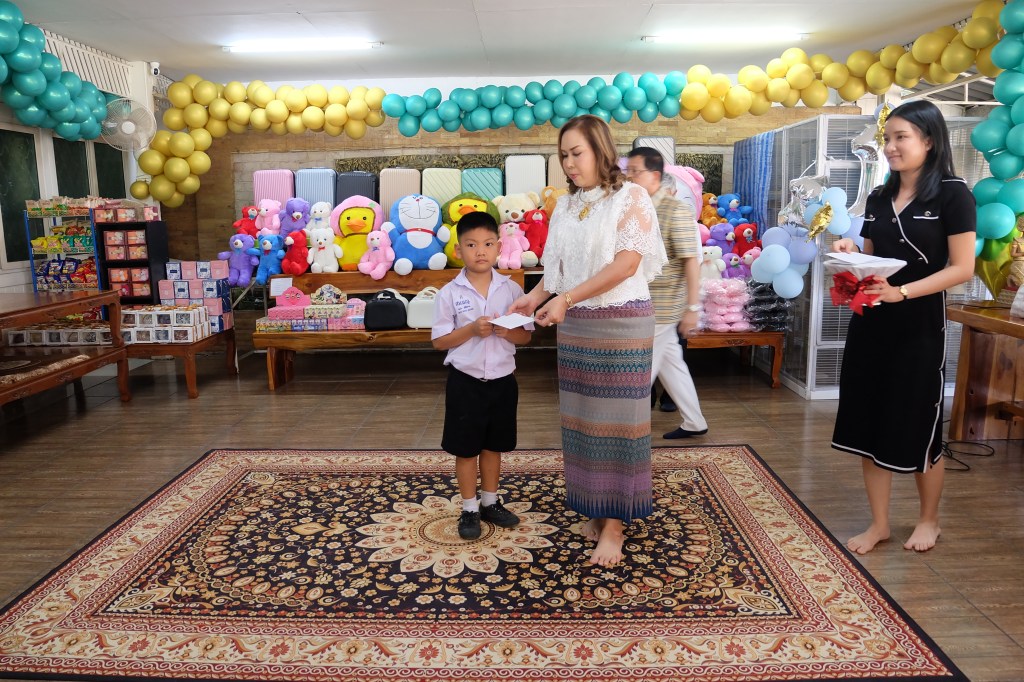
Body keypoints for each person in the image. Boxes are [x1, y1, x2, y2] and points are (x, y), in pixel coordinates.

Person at [508, 115, 667, 566]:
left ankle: (615, 526)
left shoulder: (630, 196)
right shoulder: (566, 205)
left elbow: (626, 265)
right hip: (577, 323)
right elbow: (559, 267)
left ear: (600, 150)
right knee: (582, 423)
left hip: (621, 322)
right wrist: (534, 297)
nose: (569, 163)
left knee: (618, 426)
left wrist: (566, 299)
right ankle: (597, 508)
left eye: (577, 153)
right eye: (563, 155)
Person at [831, 99, 976, 555]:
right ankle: (879, 524)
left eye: (901, 137)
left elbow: (962, 268)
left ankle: (929, 520)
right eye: (887, 138)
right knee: (869, 423)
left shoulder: (953, 194)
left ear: (929, 141)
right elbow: (874, 257)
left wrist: (904, 292)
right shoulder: (878, 197)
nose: (891, 147)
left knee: (918, 426)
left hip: (919, 328)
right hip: (872, 322)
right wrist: (852, 250)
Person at [432, 211, 534, 541]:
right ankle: (469, 508)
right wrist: (472, 330)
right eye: (471, 244)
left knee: (494, 446)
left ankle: (490, 502)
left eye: (488, 244)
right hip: (465, 382)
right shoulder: (449, 293)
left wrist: (507, 332)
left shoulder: (512, 289)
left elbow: (525, 337)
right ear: (458, 250)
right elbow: (439, 342)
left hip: (503, 381)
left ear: (499, 248)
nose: (480, 251)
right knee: (466, 449)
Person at [626, 147, 709, 439]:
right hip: (642, 302)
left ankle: (624, 426)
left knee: (640, 370)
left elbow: (691, 261)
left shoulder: (675, 210)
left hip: (662, 306)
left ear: (654, 176)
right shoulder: (639, 209)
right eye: (628, 171)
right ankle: (695, 421)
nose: (629, 177)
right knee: (672, 364)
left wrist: (692, 308)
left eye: (635, 172)